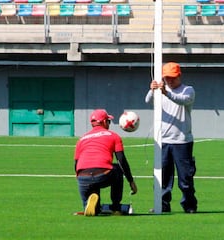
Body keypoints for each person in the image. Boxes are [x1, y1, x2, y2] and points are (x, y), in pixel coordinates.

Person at [145, 62, 197, 213]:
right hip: (163, 140)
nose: (170, 81)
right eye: (167, 78)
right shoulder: (161, 89)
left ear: (179, 76)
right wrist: (152, 89)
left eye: (173, 78)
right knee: (163, 177)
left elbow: (183, 100)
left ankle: (189, 205)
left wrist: (165, 93)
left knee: (185, 177)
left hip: (182, 141)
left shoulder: (188, 90)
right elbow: (148, 100)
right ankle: (162, 205)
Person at [74, 109, 138, 216]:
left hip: (82, 177)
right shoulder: (113, 136)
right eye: (109, 121)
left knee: (92, 191)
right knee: (117, 169)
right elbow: (121, 160)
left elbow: (76, 164)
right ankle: (116, 207)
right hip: (102, 175)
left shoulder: (81, 139)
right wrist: (131, 181)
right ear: (104, 122)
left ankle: (90, 206)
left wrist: (81, 180)